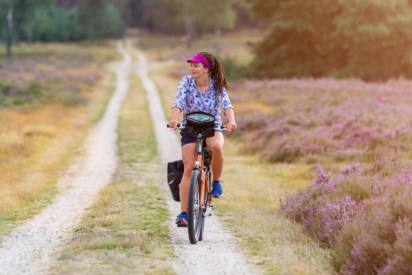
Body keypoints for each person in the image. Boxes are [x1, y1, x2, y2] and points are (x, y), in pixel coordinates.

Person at [168, 52, 237, 227]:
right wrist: (175, 119)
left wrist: (231, 121)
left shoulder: (217, 84)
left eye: (196, 65)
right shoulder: (186, 82)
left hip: (211, 127)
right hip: (190, 128)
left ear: (206, 68)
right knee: (188, 168)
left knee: (217, 148)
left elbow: (226, 104)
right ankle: (184, 214)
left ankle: (216, 182)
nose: (192, 68)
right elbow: (178, 102)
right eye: (191, 65)